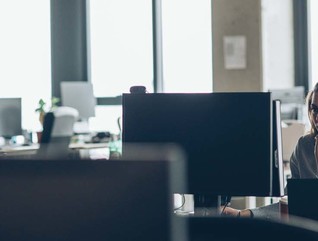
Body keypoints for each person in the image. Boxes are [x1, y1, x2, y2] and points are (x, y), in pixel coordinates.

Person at [222, 82, 318, 218]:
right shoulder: (304, 146)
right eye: (314, 109)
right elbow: (289, 204)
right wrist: (244, 214)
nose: (317, 117)